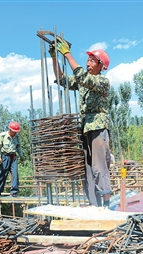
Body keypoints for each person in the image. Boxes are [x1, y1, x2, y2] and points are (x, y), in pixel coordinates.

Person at [50, 36, 112, 208]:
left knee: (100, 166)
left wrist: (68, 54)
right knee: (87, 169)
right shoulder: (85, 82)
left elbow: (83, 77)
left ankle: (106, 203)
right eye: (87, 60)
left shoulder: (102, 82)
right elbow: (63, 80)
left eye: (92, 61)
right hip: (85, 128)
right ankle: (94, 204)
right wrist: (55, 58)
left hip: (98, 127)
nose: (88, 63)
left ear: (101, 66)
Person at [0, 121, 24, 197]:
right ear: (10, 130)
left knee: (15, 174)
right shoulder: (2, 136)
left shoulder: (17, 137)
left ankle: (14, 192)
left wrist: (21, 156)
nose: (15, 133)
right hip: (5, 156)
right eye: (14, 131)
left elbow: (18, 147)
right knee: (2, 174)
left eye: (16, 132)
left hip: (13, 157)